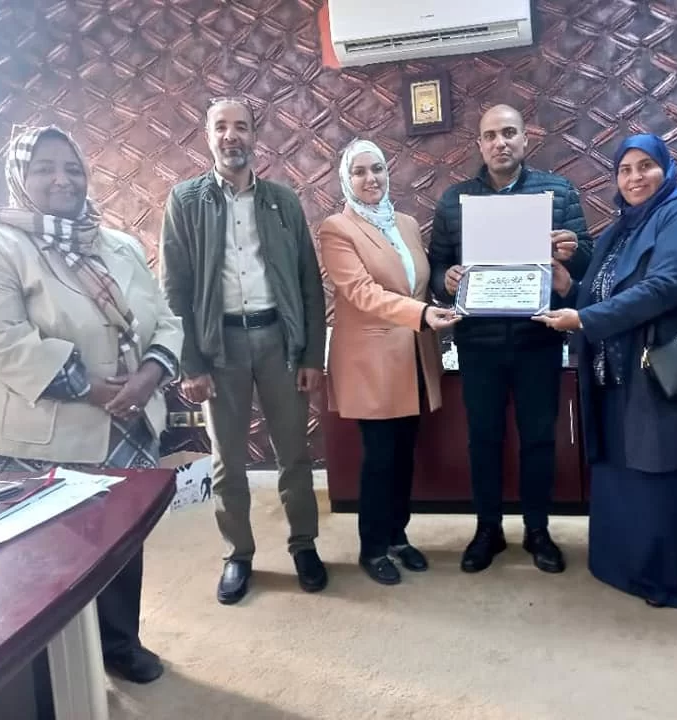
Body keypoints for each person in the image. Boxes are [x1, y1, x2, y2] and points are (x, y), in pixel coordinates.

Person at [0, 125, 183, 683]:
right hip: (30, 437)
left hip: (126, 425)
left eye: (73, 168)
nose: (62, 179)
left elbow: (165, 320)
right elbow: (0, 340)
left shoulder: (117, 245)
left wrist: (148, 376)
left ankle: (119, 644)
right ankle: (41, 676)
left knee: (120, 540)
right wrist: (101, 391)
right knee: (40, 560)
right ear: (18, 176)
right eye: (44, 168)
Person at [534, 134, 677, 608]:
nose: (635, 177)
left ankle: (666, 581)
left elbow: (666, 285)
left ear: (666, 169)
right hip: (615, 375)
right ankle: (621, 568)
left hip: (660, 372)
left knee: (661, 472)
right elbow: (601, 293)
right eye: (624, 169)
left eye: (645, 166)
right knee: (622, 470)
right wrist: (569, 288)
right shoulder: (619, 229)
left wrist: (584, 319)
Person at [159, 98, 328, 604]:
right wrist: (190, 363)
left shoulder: (283, 201)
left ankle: (304, 545)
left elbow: (309, 282)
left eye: (241, 127)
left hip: (279, 340)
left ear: (255, 136)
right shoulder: (186, 201)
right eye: (221, 127)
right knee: (227, 461)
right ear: (207, 135)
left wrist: (311, 356)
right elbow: (174, 290)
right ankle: (238, 554)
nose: (231, 136)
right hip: (220, 346)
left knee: (294, 454)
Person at [428, 104, 593, 574]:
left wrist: (572, 252)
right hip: (477, 343)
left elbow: (588, 258)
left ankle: (538, 530)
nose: (500, 142)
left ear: (525, 138)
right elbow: (436, 267)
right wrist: (447, 280)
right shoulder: (455, 200)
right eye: (490, 135)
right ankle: (488, 530)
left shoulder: (558, 193)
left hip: (537, 338)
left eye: (508, 133)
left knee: (539, 438)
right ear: (480, 145)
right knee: (482, 439)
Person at [318, 139, 460, 585]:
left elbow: (420, 283)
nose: (371, 178)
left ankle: (398, 536)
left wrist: (455, 289)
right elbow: (362, 293)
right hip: (372, 361)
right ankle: (373, 547)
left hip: (414, 356)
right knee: (380, 458)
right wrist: (422, 313)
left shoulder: (407, 224)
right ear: (347, 180)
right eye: (359, 171)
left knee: (404, 455)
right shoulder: (337, 229)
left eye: (377, 168)